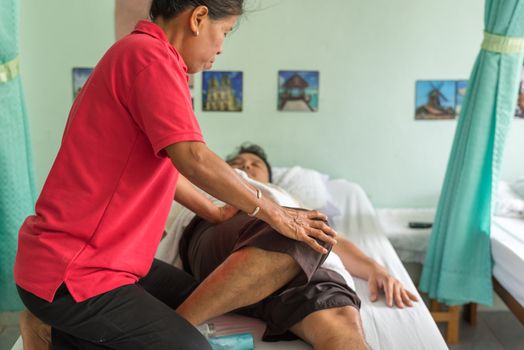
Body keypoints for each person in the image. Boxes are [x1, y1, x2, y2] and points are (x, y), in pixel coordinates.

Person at [14, 1, 337, 349]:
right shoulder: (150, 58)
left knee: (195, 295)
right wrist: (274, 212)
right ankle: (56, 328)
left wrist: (213, 212)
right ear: (198, 18)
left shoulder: (143, 55)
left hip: (105, 262)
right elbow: (193, 157)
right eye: (224, 32)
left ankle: (56, 331)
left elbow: (167, 165)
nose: (221, 48)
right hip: (74, 272)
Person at [174, 143, 419, 350]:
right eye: (238, 161)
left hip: (295, 258)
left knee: (340, 316)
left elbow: (332, 239)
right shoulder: (209, 185)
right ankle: (173, 328)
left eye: (255, 164)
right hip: (226, 229)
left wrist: (376, 269)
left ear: (269, 178)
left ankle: (173, 326)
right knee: (296, 234)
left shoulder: (284, 197)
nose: (247, 165)